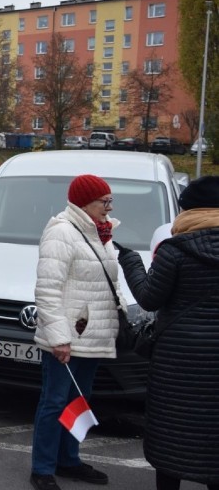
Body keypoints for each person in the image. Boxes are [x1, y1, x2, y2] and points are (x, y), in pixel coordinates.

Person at [116, 176, 219, 490]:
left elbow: (149, 298)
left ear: (187, 211)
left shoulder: (175, 250)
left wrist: (131, 260)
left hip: (177, 360)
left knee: (172, 433)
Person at [30, 174, 119, 490]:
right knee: (54, 401)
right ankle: (42, 468)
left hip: (92, 335)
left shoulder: (101, 233)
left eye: (110, 201)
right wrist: (59, 338)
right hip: (68, 337)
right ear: (86, 202)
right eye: (104, 201)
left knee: (78, 402)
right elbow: (48, 289)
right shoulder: (62, 232)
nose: (109, 207)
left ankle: (69, 460)